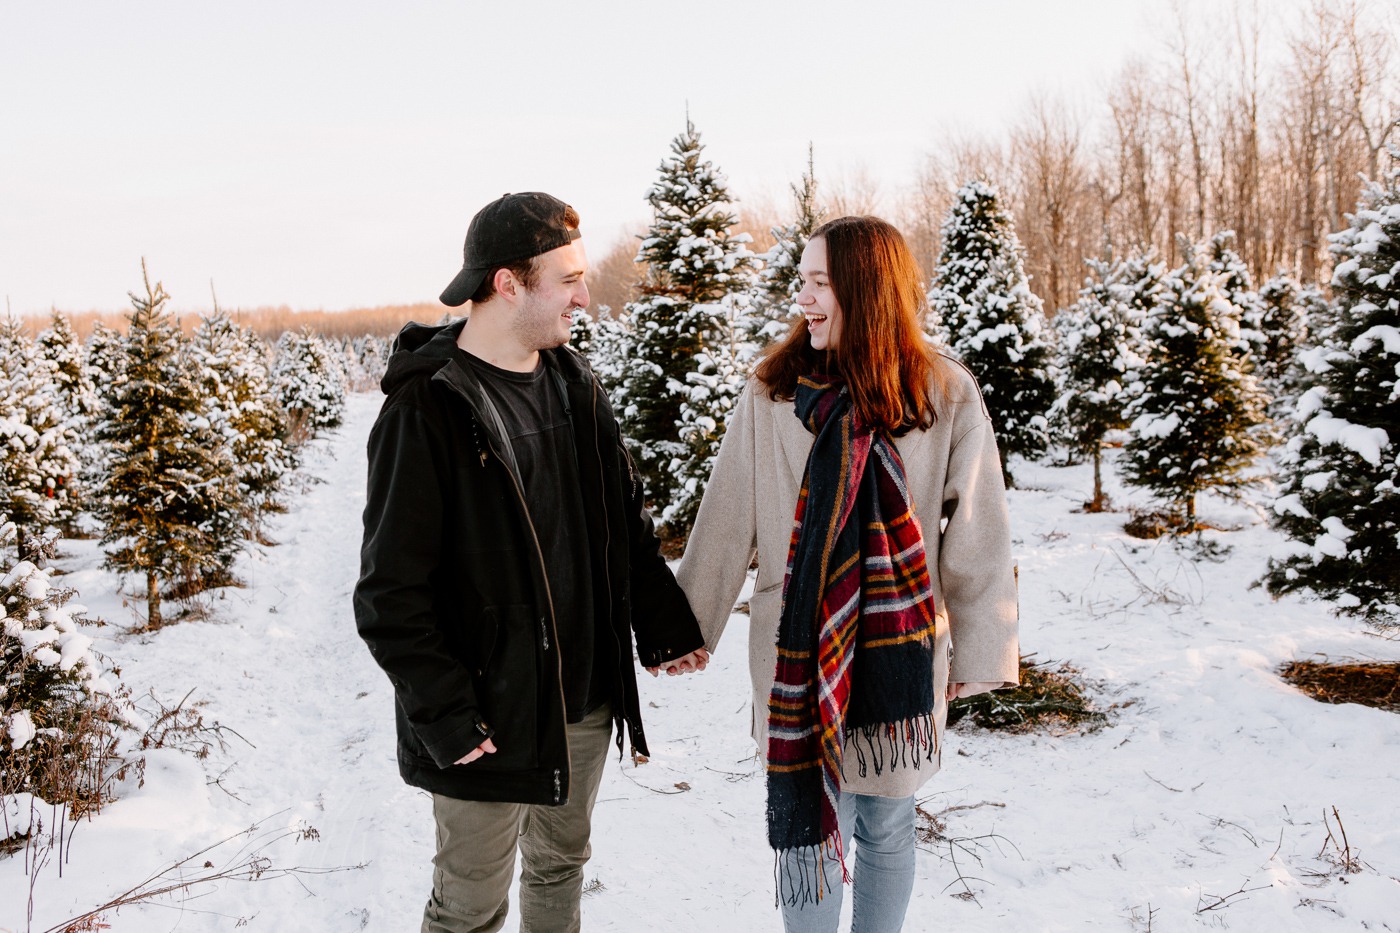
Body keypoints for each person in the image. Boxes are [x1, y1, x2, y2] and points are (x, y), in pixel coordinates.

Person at [353, 191, 709, 933]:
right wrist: (448, 715)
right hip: (489, 715)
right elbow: (390, 594)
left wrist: (663, 621)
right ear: (509, 282)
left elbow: (621, 521)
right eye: (568, 277)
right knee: (470, 908)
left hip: (582, 699)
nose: (586, 294)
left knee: (559, 868)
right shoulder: (427, 410)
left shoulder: (574, 382)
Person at [675, 215, 1019, 932]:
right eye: (801, 281)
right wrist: (687, 626)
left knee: (888, 823)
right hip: (797, 651)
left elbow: (979, 533)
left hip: (897, 648)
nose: (803, 298)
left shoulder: (942, 392)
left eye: (821, 282)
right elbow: (728, 514)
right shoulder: (772, 391)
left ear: (866, 290)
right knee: (812, 830)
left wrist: (982, 649)